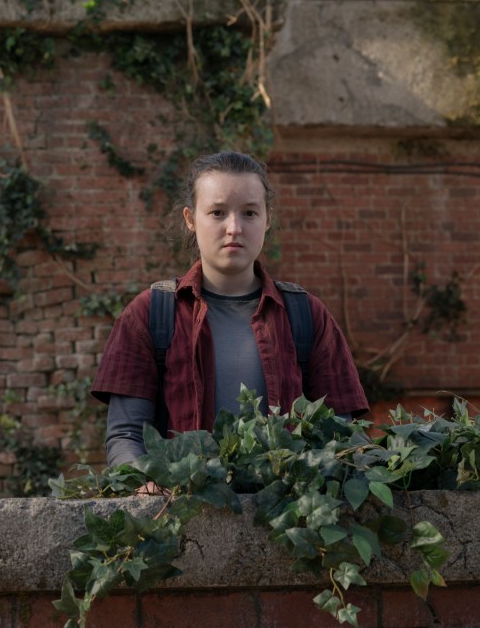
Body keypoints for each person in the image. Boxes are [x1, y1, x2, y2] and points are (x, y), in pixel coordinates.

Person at [92, 151, 369, 468]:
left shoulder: (307, 315)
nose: (234, 227)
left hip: (285, 514)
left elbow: (343, 436)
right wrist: (146, 485)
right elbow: (126, 436)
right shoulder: (149, 315)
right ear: (190, 219)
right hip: (185, 511)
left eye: (249, 213)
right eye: (217, 212)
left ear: (267, 219)